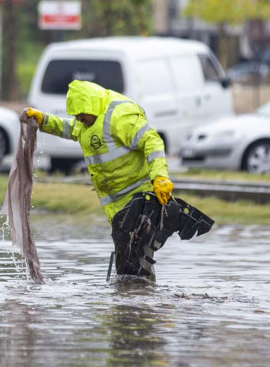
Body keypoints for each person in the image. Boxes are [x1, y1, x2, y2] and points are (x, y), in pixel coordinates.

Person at [25, 80, 213, 281]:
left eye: (81, 113)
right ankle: (135, 303)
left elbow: (152, 140)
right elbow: (70, 128)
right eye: (76, 115)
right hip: (118, 208)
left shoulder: (119, 117)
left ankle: (138, 305)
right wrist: (43, 120)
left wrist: (160, 177)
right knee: (130, 264)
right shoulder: (86, 123)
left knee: (135, 262)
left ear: (91, 106)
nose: (78, 118)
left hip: (139, 202)